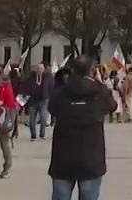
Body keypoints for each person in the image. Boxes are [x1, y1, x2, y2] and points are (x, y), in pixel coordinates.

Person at [48, 56, 116, 200]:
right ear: (93, 71)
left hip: (63, 155)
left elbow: (51, 108)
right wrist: (100, 82)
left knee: (61, 195)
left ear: (72, 70)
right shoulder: (99, 91)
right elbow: (112, 105)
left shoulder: (62, 91)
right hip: (91, 154)